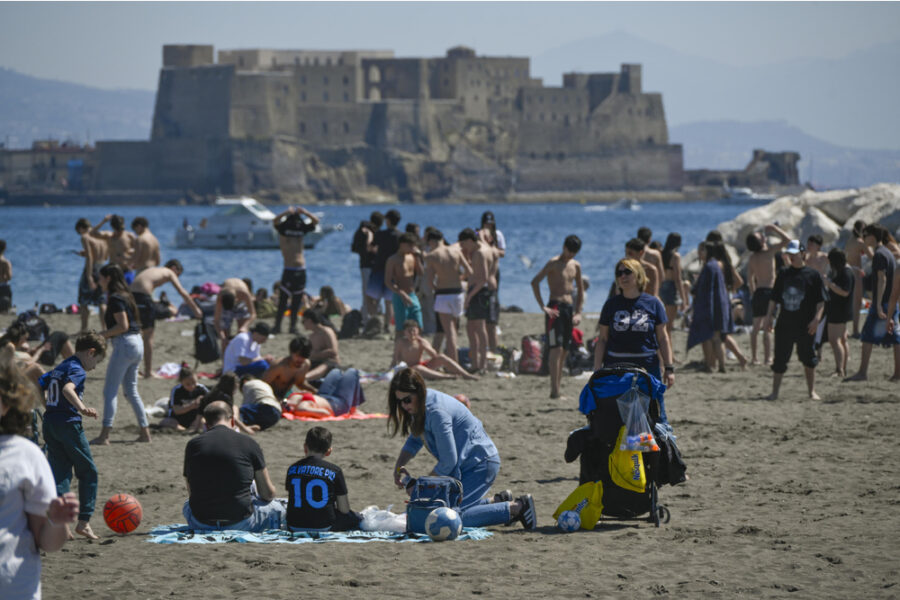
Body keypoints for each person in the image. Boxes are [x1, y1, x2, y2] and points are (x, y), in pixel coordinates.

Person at [388, 368, 537, 530]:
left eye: (407, 400)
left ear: (419, 392)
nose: (404, 405)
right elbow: (414, 440)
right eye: (399, 401)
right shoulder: (418, 406)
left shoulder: (436, 412)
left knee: (451, 518)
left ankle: (518, 507)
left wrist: (422, 488)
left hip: (481, 463)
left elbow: (448, 462)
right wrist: (399, 466)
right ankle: (497, 501)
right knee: (442, 509)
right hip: (463, 467)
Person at [1, 345, 80, 598]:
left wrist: (57, 520)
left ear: (6, 402)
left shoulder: (25, 455)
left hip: (15, 589)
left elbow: (47, 542)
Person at [38, 331, 108, 540]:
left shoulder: (61, 366)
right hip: (68, 425)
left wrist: (48, 406)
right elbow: (68, 390)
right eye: (96, 361)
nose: (94, 367)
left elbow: (39, 383)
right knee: (88, 471)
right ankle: (84, 522)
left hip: (50, 424)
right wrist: (82, 408)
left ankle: (61, 524)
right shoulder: (77, 369)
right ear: (90, 352)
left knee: (60, 473)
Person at [182, 401, 285, 531]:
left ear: (206, 425)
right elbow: (267, 494)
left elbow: (191, 491)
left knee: (187, 504)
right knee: (281, 506)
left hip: (201, 522)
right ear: (232, 421)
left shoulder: (192, 445)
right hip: (240, 521)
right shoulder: (249, 443)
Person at [593, 259, 675, 419]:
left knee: (655, 417)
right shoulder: (611, 305)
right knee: (615, 418)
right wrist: (597, 370)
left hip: (647, 368)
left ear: (638, 275)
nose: (622, 276)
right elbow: (602, 339)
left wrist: (669, 368)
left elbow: (663, 338)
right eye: (619, 273)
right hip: (616, 369)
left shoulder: (653, 304)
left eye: (627, 272)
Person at [92, 264, 151, 445]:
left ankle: (105, 435)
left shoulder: (115, 298)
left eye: (101, 278)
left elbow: (122, 326)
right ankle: (145, 433)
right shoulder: (126, 295)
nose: (99, 281)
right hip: (137, 342)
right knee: (131, 391)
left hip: (125, 343)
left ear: (108, 278)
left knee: (110, 391)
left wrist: (100, 335)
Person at [763, 240, 825, 400]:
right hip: (784, 324)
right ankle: (775, 392)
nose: (791, 256)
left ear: (802, 253)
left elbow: (821, 302)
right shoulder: (783, 274)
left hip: (806, 325)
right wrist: (769, 317)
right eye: (789, 254)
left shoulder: (813, 275)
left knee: (808, 358)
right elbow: (774, 298)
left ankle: (811, 392)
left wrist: (816, 320)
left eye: (794, 254)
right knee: (780, 359)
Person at [531, 235, 585, 399]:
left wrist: (578, 312)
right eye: (569, 252)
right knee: (556, 348)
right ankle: (554, 391)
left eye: (574, 253)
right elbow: (535, 282)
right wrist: (543, 307)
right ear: (564, 247)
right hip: (554, 308)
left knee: (565, 350)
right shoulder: (553, 263)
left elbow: (580, 290)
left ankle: (558, 389)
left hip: (569, 309)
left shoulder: (576, 265)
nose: (571, 255)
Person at [130, 259, 203, 378]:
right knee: (148, 336)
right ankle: (148, 372)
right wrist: (196, 310)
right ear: (174, 268)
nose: (176, 277)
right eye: (178, 275)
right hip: (142, 297)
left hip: (132, 297)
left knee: (135, 334)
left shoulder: (154, 270)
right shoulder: (168, 272)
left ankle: (133, 370)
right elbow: (182, 292)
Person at [846, 224, 900, 381]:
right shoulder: (887, 253)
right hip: (890, 302)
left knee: (868, 336)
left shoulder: (879, 254)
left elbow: (882, 279)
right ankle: (897, 373)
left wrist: (877, 304)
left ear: (872, 236)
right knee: (895, 338)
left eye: (865, 235)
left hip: (882, 303)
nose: (863, 239)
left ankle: (862, 373)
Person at [284, 426, 361, 531]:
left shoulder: (292, 469)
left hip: (294, 524)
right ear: (329, 451)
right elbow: (344, 509)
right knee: (356, 517)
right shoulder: (334, 471)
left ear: (305, 447)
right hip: (324, 525)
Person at [423, 228, 472, 363]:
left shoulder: (432, 255)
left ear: (431, 242)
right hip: (458, 293)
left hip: (443, 293)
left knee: (449, 332)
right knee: (453, 329)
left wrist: (436, 288)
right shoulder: (456, 251)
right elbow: (469, 270)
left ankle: (453, 363)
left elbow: (429, 281)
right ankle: (452, 361)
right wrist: (460, 278)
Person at [746, 223, 792, 365]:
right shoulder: (769, 252)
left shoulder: (752, 258)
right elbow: (788, 240)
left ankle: (754, 358)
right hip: (769, 292)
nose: (763, 236)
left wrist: (753, 293)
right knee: (767, 327)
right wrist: (775, 229)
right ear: (760, 242)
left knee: (755, 328)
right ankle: (767, 358)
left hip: (758, 292)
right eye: (760, 237)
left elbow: (750, 279)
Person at [272, 205, 319, 334]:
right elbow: (275, 221)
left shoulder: (300, 231)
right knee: (283, 300)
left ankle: (293, 326)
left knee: (297, 300)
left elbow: (315, 221)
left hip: (301, 269)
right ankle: (277, 326)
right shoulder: (284, 231)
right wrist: (286, 212)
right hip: (289, 269)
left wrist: (305, 212)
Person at [459, 228, 497, 374]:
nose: (463, 247)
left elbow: (483, 279)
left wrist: (469, 297)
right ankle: (477, 363)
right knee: (472, 328)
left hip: (478, 292)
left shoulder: (480, 253)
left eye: (464, 244)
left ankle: (481, 365)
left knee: (479, 329)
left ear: (470, 241)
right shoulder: (485, 247)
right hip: (479, 292)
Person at [392, 320, 477, 380]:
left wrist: (426, 347)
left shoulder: (421, 341)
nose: (412, 333)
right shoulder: (401, 342)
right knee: (417, 368)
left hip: (422, 366)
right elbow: (395, 359)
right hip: (409, 369)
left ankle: (466, 375)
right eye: (409, 331)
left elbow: (434, 355)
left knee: (442, 357)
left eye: (414, 330)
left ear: (418, 331)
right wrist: (391, 371)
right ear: (404, 332)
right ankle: (446, 376)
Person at [367, 209, 402, 333]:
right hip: (393, 271)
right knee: (389, 301)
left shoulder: (381, 234)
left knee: (372, 298)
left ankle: (377, 322)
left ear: (388, 220)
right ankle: (386, 326)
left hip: (379, 269)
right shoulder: (400, 236)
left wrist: (369, 236)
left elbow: (370, 247)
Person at [284, 367, 366, 418]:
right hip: (337, 405)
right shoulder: (301, 408)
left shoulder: (289, 399)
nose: (285, 404)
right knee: (352, 372)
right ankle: (353, 410)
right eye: (287, 408)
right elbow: (325, 413)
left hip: (323, 395)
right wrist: (311, 407)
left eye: (284, 403)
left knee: (335, 371)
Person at [384, 232, 425, 334]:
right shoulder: (392, 260)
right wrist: (402, 293)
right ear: (402, 245)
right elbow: (388, 281)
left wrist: (417, 257)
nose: (412, 248)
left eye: (413, 245)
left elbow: (421, 273)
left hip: (412, 294)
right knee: (401, 329)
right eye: (410, 245)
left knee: (418, 326)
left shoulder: (412, 257)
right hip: (400, 296)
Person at [823, 248, 855, 378]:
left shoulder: (846, 273)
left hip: (839, 310)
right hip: (841, 310)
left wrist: (829, 284)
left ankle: (839, 369)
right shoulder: (846, 271)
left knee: (834, 340)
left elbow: (844, 292)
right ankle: (843, 368)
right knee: (842, 340)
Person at [477, 212, 506, 352]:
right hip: (480, 272)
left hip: (492, 273)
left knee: (491, 311)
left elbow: (502, 253)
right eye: (486, 223)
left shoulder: (497, 234)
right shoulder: (477, 234)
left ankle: (493, 348)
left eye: (490, 223)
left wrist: (490, 249)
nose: (488, 226)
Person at [74, 218, 108, 332]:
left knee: (83, 301)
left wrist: (89, 276)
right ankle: (105, 328)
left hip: (92, 269)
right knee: (102, 300)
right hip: (102, 267)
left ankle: (84, 329)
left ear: (81, 228)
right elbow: (104, 256)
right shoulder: (101, 238)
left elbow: (90, 257)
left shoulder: (85, 237)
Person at [263, 335, 315, 399]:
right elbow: (262, 385)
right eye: (298, 356)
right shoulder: (279, 366)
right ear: (291, 352)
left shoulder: (305, 365)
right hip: (270, 397)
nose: (300, 360)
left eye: (304, 357)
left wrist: (315, 391)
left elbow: (299, 384)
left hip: (285, 396)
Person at [159, 364, 208, 432]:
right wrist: (192, 405)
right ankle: (184, 429)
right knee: (166, 422)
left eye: (194, 382)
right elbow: (176, 410)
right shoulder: (177, 390)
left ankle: (192, 427)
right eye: (188, 384)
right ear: (181, 382)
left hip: (195, 419)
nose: (192, 386)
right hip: (178, 419)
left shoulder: (201, 389)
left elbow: (212, 404)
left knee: (204, 422)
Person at [90, 214, 135, 282]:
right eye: (117, 229)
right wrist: (103, 221)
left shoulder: (130, 236)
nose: (120, 231)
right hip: (113, 270)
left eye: (121, 229)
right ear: (113, 227)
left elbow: (138, 250)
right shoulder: (109, 236)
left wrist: (130, 255)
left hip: (126, 270)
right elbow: (92, 233)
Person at [660, 233, 689, 338]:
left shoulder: (661, 254)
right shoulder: (675, 256)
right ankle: (667, 348)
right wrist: (683, 299)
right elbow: (677, 278)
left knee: (661, 324)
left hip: (661, 287)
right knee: (668, 326)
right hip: (671, 288)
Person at [213, 278, 257, 344]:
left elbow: (253, 314)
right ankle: (225, 349)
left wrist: (244, 326)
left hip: (241, 302)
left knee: (242, 333)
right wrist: (222, 337)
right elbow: (216, 320)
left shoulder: (244, 293)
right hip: (228, 298)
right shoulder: (221, 296)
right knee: (225, 333)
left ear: (236, 299)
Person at [301, 309, 341, 381]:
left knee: (325, 365)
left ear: (309, 320)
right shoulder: (311, 336)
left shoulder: (326, 331)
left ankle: (305, 377)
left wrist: (314, 354)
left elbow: (333, 352)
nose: (303, 324)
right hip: (316, 362)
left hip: (330, 363)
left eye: (303, 321)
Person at [351, 219, 377, 321]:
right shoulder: (366, 236)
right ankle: (367, 317)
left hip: (365, 267)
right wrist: (370, 235)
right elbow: (368, 248)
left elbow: (354, 248)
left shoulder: (359, 235)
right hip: (368, 267)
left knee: (367, 293)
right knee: (369, 293)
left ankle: (367, 316)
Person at [844, 220, 867, 337]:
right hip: (856, 273)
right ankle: (855, 330)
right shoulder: (860, 242)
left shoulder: (850, 240)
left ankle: (845, 329)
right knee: (857, 302)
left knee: (849, 301)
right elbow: (872, 255)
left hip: (849, 270)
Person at [0, 239, 11, 313]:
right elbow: (9, 277)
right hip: (4, 287)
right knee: (5, 309)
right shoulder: (5, 262)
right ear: (4, 248)